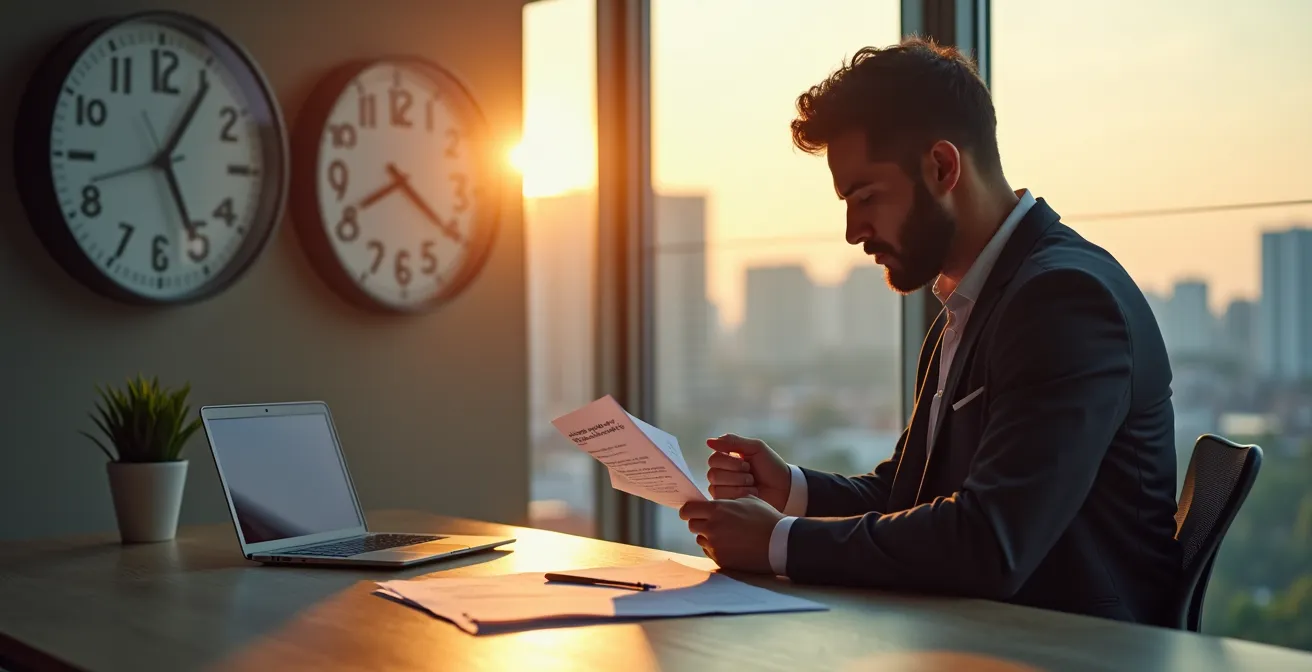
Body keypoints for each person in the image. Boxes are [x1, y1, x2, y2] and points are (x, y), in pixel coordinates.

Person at [679, 38, 1183, 626]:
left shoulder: (1065, 301)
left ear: (943, 167)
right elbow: (911, 494)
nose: (851, 230)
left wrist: (778, 543)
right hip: (986, 635)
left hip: (1073, 649)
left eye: (865, 196)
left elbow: (989, 541)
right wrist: (789, 490)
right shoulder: (977, 301)